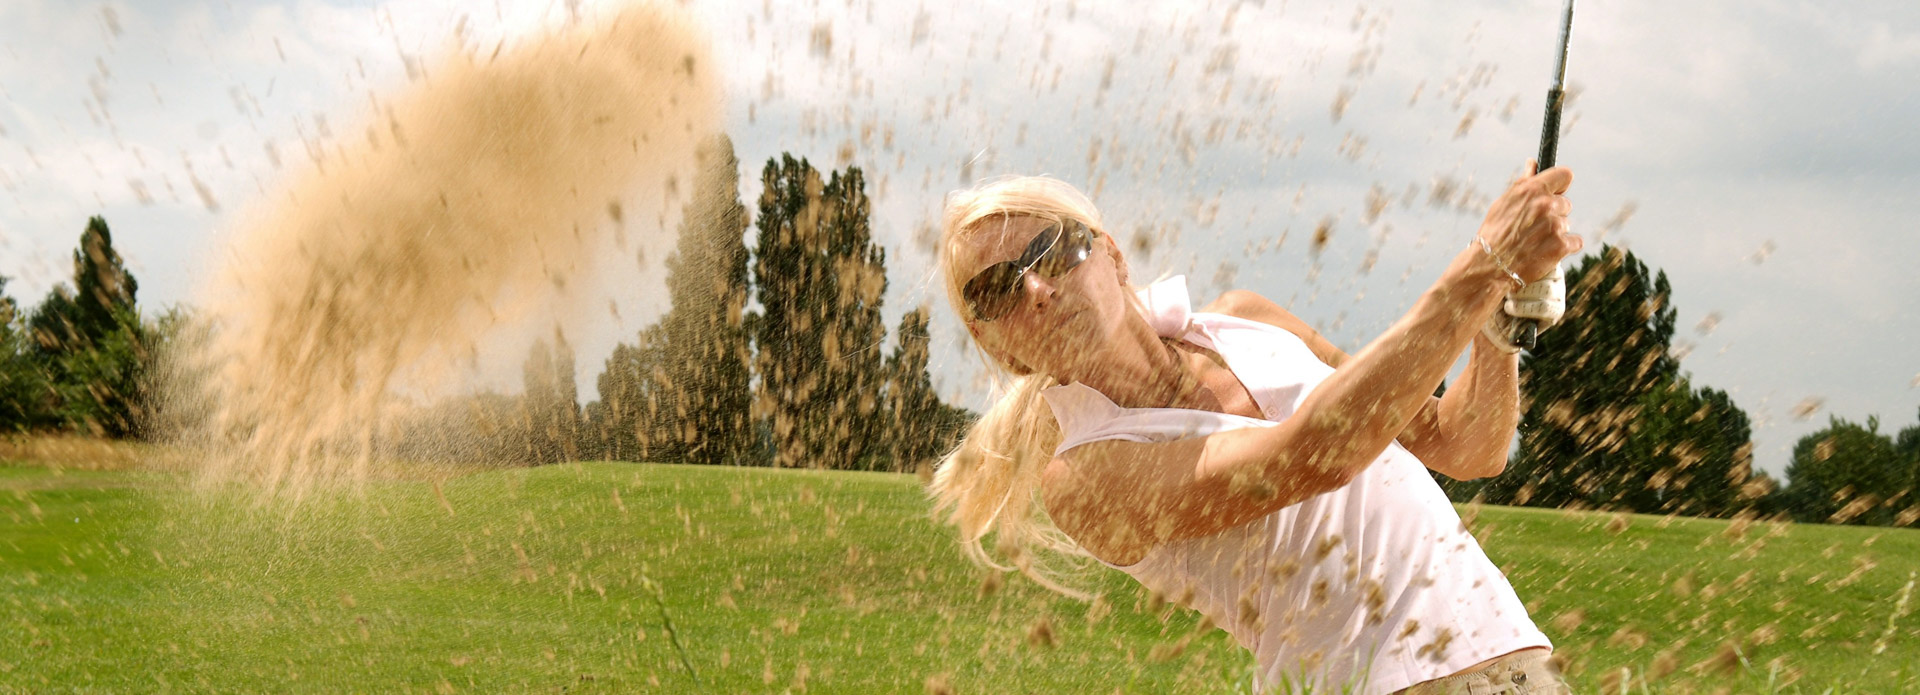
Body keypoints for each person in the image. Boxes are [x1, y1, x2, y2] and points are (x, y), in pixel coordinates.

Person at [928, 165, 1581, 694]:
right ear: (1005, 352)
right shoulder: (1083, 476)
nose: (1038, 288)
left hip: (1514, 661)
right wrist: (1488, 263)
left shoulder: (1245, 317)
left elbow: (1465, 444)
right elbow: (1315, 455)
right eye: (996, 292)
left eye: (1052, 248)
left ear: (1113, 257)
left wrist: (1501, 322)